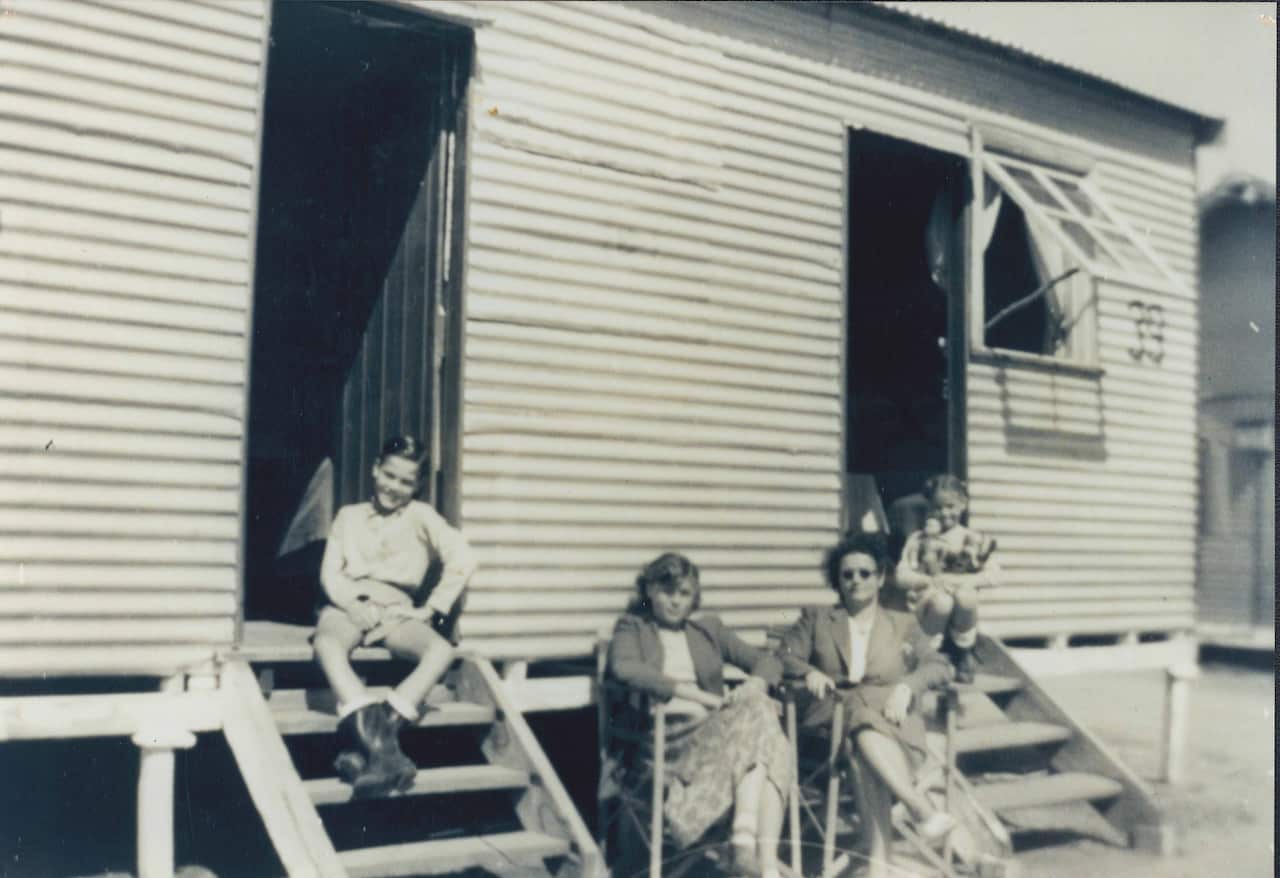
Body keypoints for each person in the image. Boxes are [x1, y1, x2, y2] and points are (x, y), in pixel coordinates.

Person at [775, 531, 955, 876]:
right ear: (837, 581)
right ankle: (920, 809)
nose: (856, 580)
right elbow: (783, 657)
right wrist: (809, 671)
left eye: (864, 573)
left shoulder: (902, 623)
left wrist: (908, 685)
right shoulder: (816, 619)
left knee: (861, 743)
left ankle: (879, 863)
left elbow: (939, 665)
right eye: (847, 574)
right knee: (858, 723)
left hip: (892, 724)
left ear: (881, 577)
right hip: (830, 724)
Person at [607, 553, 793, 878]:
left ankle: (750, 851)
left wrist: (754, 683)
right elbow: (625, 668)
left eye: (684, 593)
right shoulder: (633, 627)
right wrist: (698, 695)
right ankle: (761, 862)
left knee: (767, 724)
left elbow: (769, 661)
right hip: (668, 739)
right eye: (668, 591)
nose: (676, 602)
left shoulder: (707, 629)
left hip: (716, 735)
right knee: (772, 738)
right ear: (650, 589)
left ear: (694, 596)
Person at [312, 434, 478, 797]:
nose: (394, 487)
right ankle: (386, 749)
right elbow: (330, 573)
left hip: (396, 608)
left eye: (405, 481)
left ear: (416, 485)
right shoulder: (348, 516)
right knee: (327, 644)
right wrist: (350, 604)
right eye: (389, 475)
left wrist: (430, 608)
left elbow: (463, 558)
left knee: (441, 651)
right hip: (349, 602)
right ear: (375, 469)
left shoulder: (422, 516)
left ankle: (376, 742)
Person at [893, 475, 1000, 683]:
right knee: (943, 602)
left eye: (950, 506)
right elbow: (901, 575)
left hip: (962, 614)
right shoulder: (919, 538)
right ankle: (927, 654)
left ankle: (963, 653)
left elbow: (995, 575)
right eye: (937, 507)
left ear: (963, 505)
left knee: (965, 596)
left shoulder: (973, 539)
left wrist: (959, 581)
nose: (944, 513)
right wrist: (927, 581)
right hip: (929, 610)